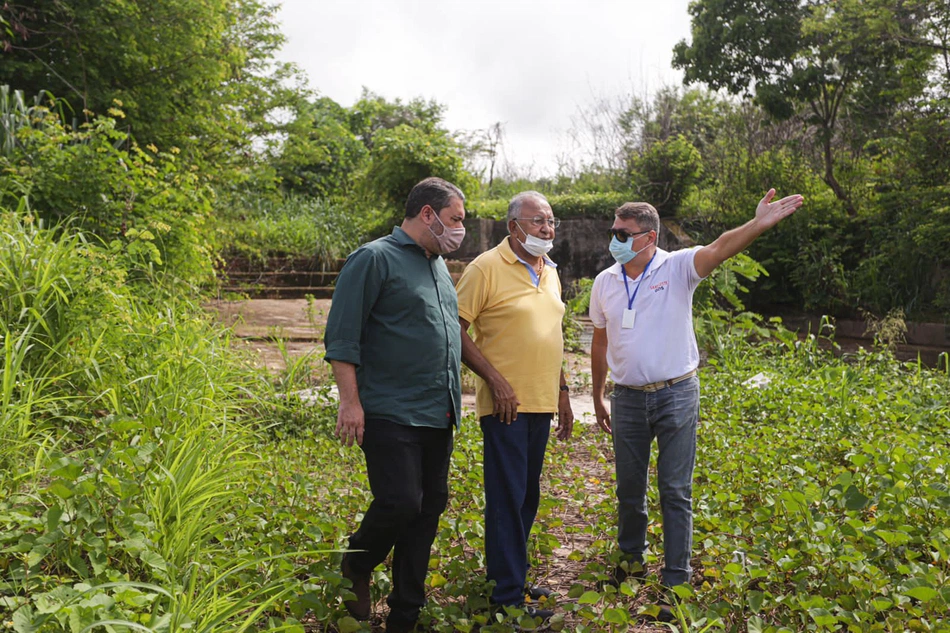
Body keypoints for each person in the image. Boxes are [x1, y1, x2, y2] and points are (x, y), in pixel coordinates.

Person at [590, 190, 803, 620]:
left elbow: (720, 246)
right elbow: (599, 339)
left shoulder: (678, 266)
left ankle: (676, 583)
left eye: (622, 233)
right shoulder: (605, 282)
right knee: (629, 490)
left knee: (674, 489)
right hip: (628, 399)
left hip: (676, 394)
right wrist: (597, 393)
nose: (614, 239)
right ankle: (631, 563)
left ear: (648, 238)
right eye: (613, 230)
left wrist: (757, 224)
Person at [324, 177, 467, 633]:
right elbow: (342, 336)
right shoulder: (373, 259)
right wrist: (350, 402)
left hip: (437, 410)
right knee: (401, 501)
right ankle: (357, 563)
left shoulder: (438, 265)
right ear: (427, 214)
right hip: (388, 409)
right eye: (455, 219)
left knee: (428, 509)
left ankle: (406, 612)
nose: (460, 229)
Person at [455, 191, 574, 621]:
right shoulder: (485, 267)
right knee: (507, 497)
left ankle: (514, 579)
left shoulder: (550, 271)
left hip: (541, 401)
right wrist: (495, 380)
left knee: (526, 496)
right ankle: (506, 598)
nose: (547, 229)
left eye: (551, 222)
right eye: (538, 222)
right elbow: (456, 330)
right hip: (505, 405)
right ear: (514, 227)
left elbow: (550, 336)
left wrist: (562, 392)